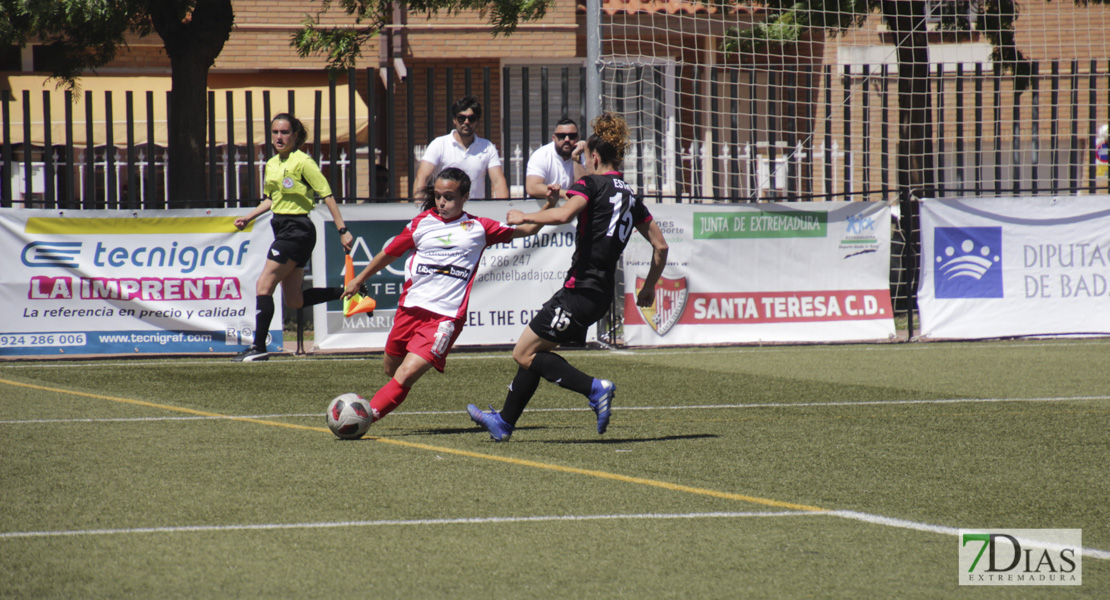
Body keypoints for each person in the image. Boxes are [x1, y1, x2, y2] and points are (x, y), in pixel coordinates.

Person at [467, 113, 669, 442]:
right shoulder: (631, 196)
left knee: (523, 353)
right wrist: (647, 289)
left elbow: (564, 213)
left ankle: (595, 388)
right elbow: (661, 247)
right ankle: (504, 422)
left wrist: (524, 215)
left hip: (579, 291)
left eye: (586, 156)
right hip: (599, 295)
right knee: (533, 350)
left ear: (595, 157)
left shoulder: (591, 185)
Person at [341, 167, 557, 425]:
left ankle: (363, 419)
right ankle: (373, 407)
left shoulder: (478, 227)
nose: (442, 202)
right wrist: (358, 279)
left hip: (445, 318)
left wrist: (548, 206)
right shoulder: (421, 224)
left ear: (465, 197)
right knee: (392, 369)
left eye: (450, 197)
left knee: (407, 374)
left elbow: (529, 230)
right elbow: (389, 253)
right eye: (438, 196)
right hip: (409, 311)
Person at [232, 113, 355, 362]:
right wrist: (250, 216)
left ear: (295, 135)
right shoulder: (272, 163)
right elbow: (271, 199)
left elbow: (327, 195)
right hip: (284, 229)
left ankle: (258, 348)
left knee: (263, 285)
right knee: (295, 300)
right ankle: (350, 290)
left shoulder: (303, 162)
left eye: (284, 132)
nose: (279, 137)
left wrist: (342, 230)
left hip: (297, 230)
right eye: (275, 132)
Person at [413, 96, 509, 201]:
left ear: (477, 122)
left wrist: (502, 209)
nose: (466, 122)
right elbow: (422, 177)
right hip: (445, 212)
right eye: (461, 118)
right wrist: (419, 208)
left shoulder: (487, 147)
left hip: (476, 212)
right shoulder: (439, 144)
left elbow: (498, 182)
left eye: (471, 118)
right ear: (454, 120)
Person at [525, 118, 587, 199]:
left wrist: (576, 158)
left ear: (577, 138)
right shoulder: (541, 155)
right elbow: (532, 187)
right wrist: (564, 194)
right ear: (554, 138)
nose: (567, 139)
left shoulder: (583, 155)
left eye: (572, 136)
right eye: (561, 136)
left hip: (573, 206)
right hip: (543, 206)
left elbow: (586, 188)